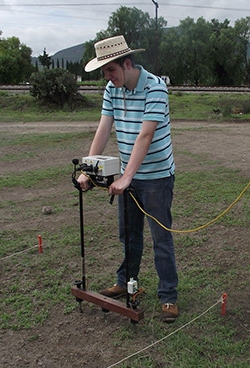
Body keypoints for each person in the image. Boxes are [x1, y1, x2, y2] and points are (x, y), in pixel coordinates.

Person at [78, 35, 179, 323]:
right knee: (129, 235)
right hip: (128, 176)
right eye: (104, 72)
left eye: (111, 70)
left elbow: (145, 135)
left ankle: (169, 296)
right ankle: (126, 282)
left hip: (157, 177)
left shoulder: (156, 88)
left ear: (127, 63)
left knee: (161, 238)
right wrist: (89, 168)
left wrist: (127, 177)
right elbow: (103, 130)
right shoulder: (112, 89)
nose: (107, 78)